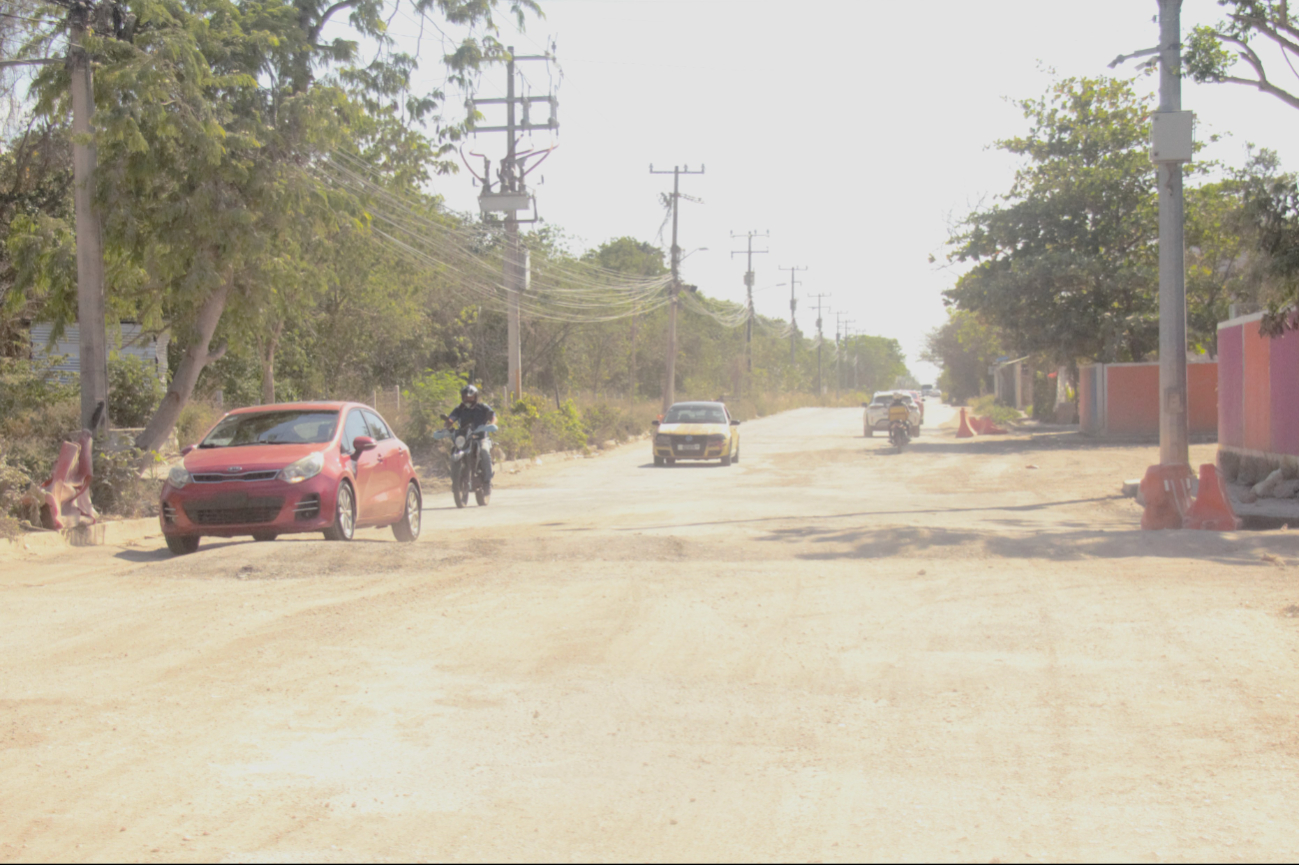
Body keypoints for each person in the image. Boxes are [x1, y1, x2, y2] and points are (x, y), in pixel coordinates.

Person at [446, 384, 496, 491]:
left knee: (484, 451)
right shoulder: (459, 409)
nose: (468, 400)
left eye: (470, 397)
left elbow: (493, 416)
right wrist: (447, 425)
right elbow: (451, 418)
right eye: (465, 397)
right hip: (465, 438)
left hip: (481, 437)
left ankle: (487, 481)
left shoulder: (482, 407)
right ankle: (455, 479)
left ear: (475, 397)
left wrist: (492, 424)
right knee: (454, 451)